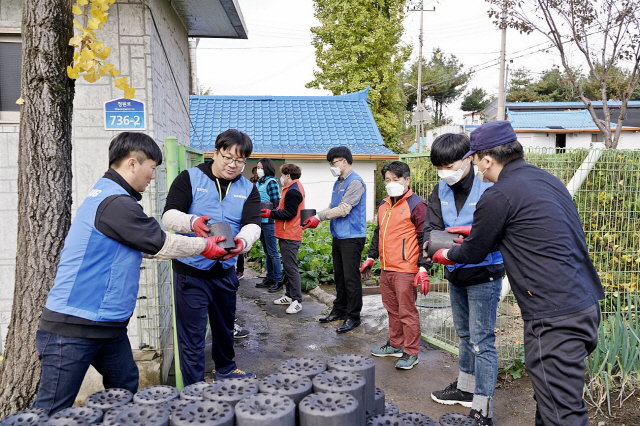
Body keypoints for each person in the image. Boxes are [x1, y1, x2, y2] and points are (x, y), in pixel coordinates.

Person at [32, 132, 227, 415]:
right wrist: (205, 246)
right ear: (133, 163)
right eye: (152, 167)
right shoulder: (115, 203)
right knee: (51, 410)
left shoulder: (112, 197)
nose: (153, 176)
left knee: (124, 387)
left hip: (108, 326)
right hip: (73, 327)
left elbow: (143, 245)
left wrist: (191, 228)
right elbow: (160, 243)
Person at [428, 121, 604, 426]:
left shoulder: (499, 194)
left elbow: (471, 253)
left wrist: (442, 254)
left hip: (552, 314)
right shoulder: (546, 180)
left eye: (477, 159)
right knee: (550, 399)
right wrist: (476, 230)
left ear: (485, 159)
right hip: (583, 302)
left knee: (563, 413)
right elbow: (530, 227)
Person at [162, 129, 262, 385]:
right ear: (215, 152)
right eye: (227, 157)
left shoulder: (248, 188)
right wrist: (192, 221)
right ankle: (194, 389)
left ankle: (226, 369)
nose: (232, 165)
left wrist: (243, 241)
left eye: (239, 161)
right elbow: (169, 215)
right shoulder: (190, 178)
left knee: (224, 328)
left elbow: (253, 223)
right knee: (193, 336)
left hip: (225, 270)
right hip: (190, 271)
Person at [421, 134, 505, 425]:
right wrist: (431, 255)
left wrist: (463, 244)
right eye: (440, 166)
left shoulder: (491, 187)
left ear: (469, 158)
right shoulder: (440, 189)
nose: (445, 171)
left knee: (482, 341)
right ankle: (466, 388)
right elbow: (431, 228)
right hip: (455, 271)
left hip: (485, 273)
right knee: (465, 335)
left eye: (450, 164)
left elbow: (500, 234)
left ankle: (483, 409)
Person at [361, 161, 428, 370]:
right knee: (392, 309)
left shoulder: (417, 205)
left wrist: (424, 267)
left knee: (407, 312)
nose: (391, 183)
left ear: (407, 180)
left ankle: (411, 352)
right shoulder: (384, 204)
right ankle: (396, 344)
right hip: (387, 267)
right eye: (388, 180)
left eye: (396, 179)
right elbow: (378, 232)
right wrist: (371, 257)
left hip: (406, 269)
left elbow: (425, 236)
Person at [302, 146, 367, 334]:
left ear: (344, 161)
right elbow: (333, 206)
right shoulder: (338, 182)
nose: (332, 166)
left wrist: (320, 217)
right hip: (339, 234)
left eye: (333, 163)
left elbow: (344, 209)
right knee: (339, 276)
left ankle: (353, 316)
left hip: (352, 236)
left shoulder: (356, 182)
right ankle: (339, 310)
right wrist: (317, 215)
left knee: (351, 278)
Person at [261, 163, 305, 314]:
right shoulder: (292, 188)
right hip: (287, 233)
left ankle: (297, 300)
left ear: (288, 176)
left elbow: (289, 213)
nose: (280, 178)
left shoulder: (293, 191)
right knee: (288, 266)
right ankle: (289, 295)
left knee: (291, 268)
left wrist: (270, 213)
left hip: (290, 234)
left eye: (282, 175)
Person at [254, 158, 283, 292]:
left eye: (261, 167)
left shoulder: (271, 182)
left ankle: (278, 279)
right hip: (260, 220)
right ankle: (270, 277)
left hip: (269, 221)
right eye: (258, 167)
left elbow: (276, 202)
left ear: (267, 168)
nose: (258, 170)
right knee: (266, 251)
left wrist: (268, 210)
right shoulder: (260, 182)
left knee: (273, 252)